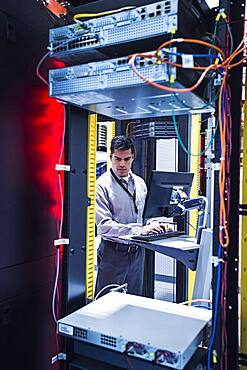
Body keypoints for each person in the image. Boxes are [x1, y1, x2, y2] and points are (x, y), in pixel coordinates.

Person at [95, 135, 166, 297]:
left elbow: (146, 215)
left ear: (133, 157)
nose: (122, 164)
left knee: (135, 302)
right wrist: (139, 230)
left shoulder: (140, 183)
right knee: (106, 304)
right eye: (117, 158)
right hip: (113, 254)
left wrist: (157, 225)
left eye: (127, 159)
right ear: (110, 157)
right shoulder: (102, 185)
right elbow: (104, 227)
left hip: (137, 254)